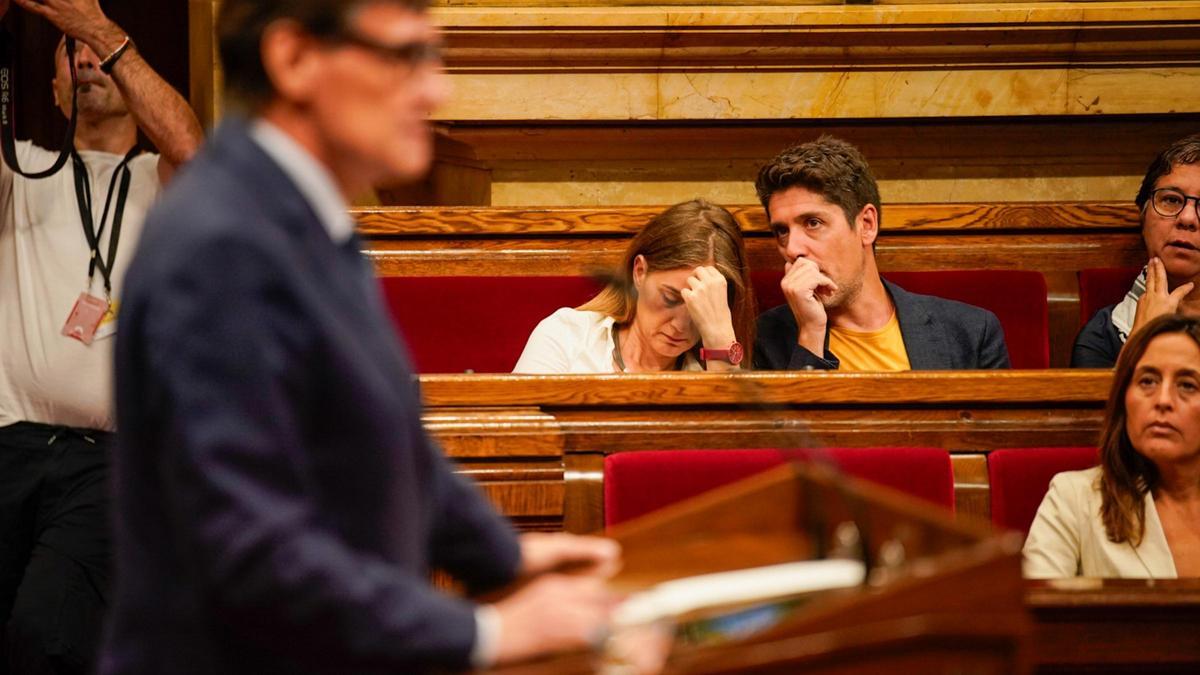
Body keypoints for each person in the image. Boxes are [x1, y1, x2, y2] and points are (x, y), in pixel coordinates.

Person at [102, 1, 626, 673]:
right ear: (293, 59)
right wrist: (483, 632)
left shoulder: (303, 211)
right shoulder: (221, 242)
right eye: (406, 56)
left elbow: (383, 434)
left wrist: (504, 554)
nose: (437, 91)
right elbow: (246, 548)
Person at [0, 0, 203, 672]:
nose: (85, 60)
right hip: (9, 445)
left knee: (45, 628)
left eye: (97, 53)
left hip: (111, 461)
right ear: (54, 88)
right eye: (69, 52)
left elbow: (192, 148)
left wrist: (97, 29)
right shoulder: (19, 170)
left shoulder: (162, 180)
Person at [752, 136, 1010, 371]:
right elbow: (793, 423)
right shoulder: (766, 338)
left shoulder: (971, 331)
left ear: (866, 225)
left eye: (813, 223)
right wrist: (810, 333)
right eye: (782, 231)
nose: (793, 248)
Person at [1025, 314, 1200, 578]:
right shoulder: (1074, 499)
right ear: (1124, 398)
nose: (1162, 400)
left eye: (1187, 385)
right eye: (1147, 381)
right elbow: (1031, 615)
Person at [513, 198, 756, 373]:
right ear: (639, 272)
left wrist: (721, 342)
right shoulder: (569, 335)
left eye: (698, 308)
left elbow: (730, 443)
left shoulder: (710, 369)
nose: (680, 326)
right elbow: (521, 439)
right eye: (670, 298)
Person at [1072, 134, 1200, 368]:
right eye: (1171, 200)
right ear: (1143, 216)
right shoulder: (1103, 335)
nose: (1188, 218)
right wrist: (1143, 336)